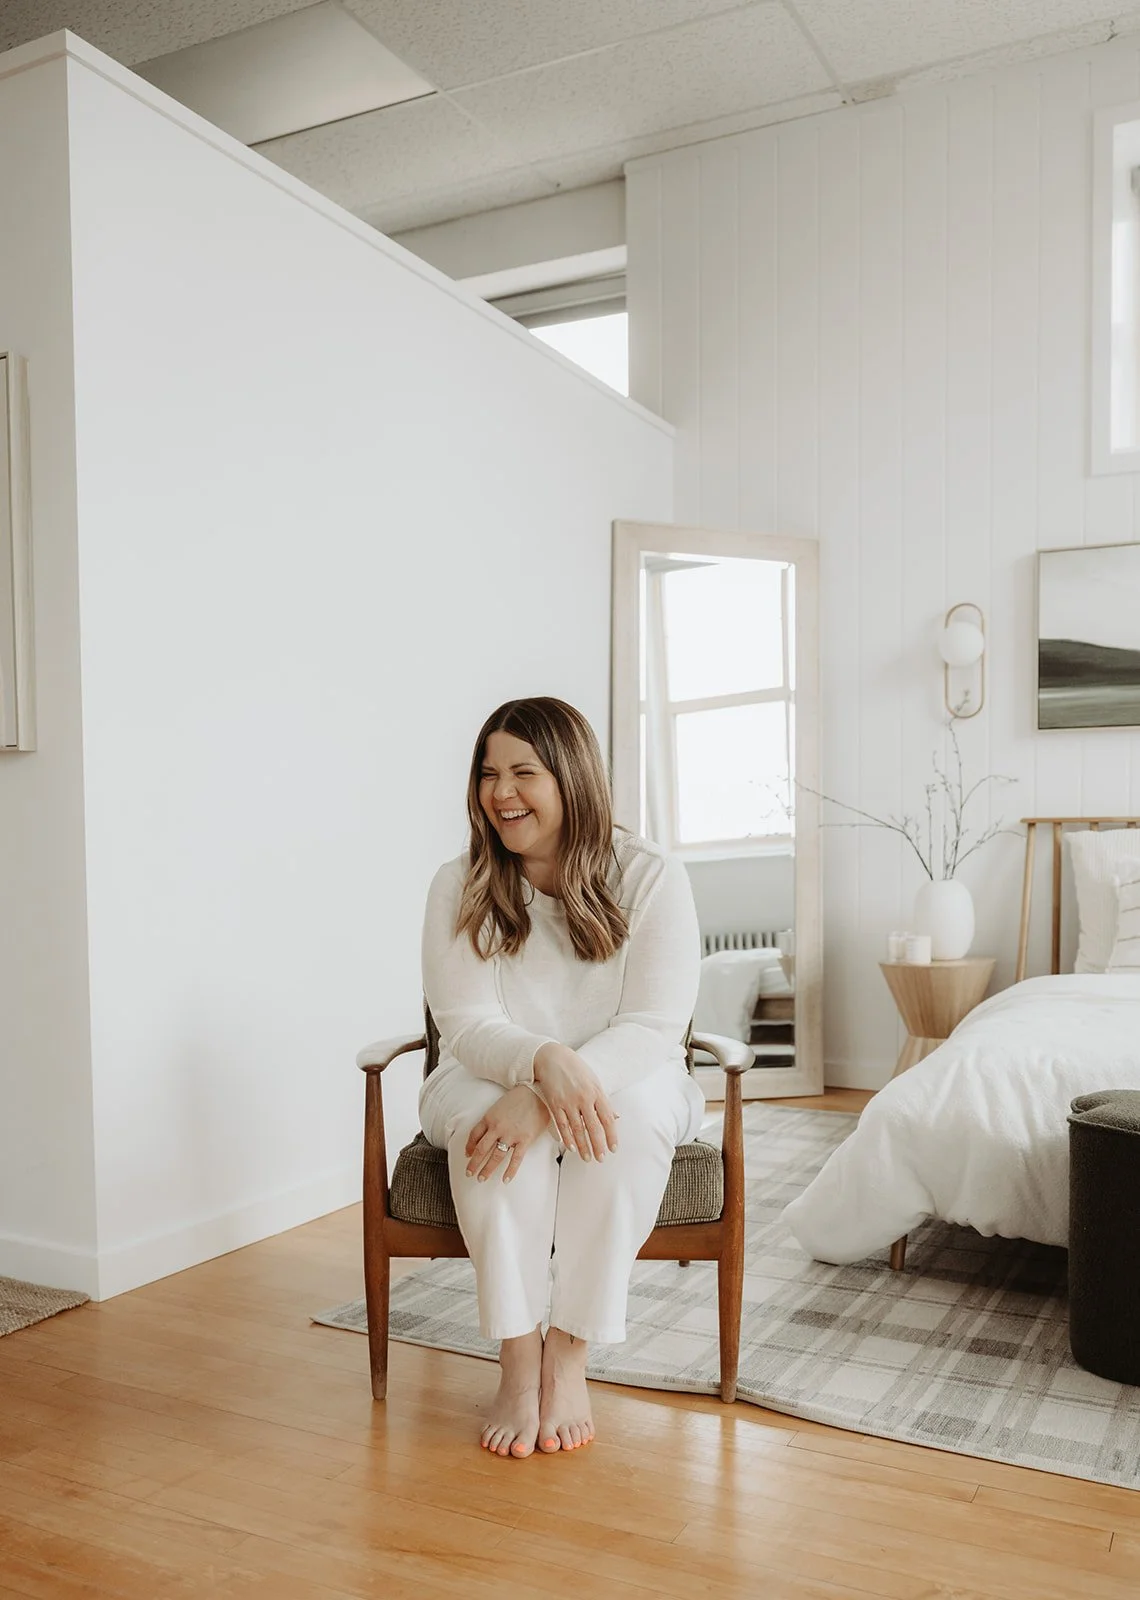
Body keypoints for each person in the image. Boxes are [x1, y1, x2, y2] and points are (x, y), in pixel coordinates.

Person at [419, 696, 705, 1459]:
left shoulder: (649, 876)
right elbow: (468, 1023)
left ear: (572, 778)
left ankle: (569, 1353)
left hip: (629, 1071)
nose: (500, 793)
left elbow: (652, 1026)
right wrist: (541, 1068)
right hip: (487, 1071)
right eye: (487, 774)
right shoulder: (462, 883)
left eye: (522, 772)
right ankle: (518, 1356)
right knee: (493, 1128)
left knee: (628, 1122)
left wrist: (553, 1092)